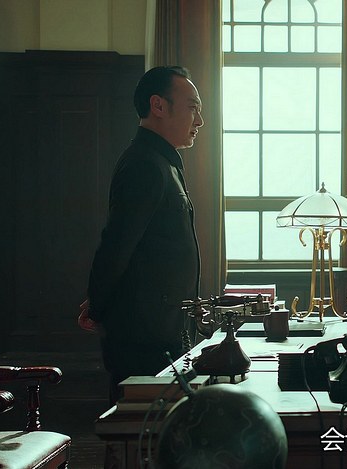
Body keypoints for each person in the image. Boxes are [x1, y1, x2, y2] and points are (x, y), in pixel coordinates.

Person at [78, 65, 204, 404]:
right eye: (192, 107)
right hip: (144, 334)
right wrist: (97, 305)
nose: (199, 121)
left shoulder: (164, 162)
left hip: (162, 329)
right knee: (137, 426)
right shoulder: (144, 164)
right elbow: (117, 244)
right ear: (158, 106)